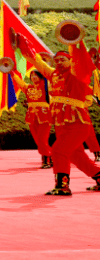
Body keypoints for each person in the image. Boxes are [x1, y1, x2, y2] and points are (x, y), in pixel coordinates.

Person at [24, 39, 100, 196]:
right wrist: (22, 48)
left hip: (78, 123)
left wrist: (73, 41)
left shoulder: (78, 74)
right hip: (61, 124)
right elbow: (38, 63)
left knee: (58, 150)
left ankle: (62, 186)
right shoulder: (53, 75)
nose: (59, 62)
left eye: (63, 60)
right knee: (76, 156)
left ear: (71, 61)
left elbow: (81, 60)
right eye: (56, 60)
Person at [21, 70, 53, 169]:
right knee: (37, 140)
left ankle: (46, 160)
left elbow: (48, 75)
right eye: (32, 75)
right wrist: (11, 72)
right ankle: (50, 157)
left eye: (36, 75)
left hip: (44, 115)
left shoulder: (45, 85)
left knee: (42, 139)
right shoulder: (28, 88)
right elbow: (19, 82)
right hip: (32, 116)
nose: (33, 77)